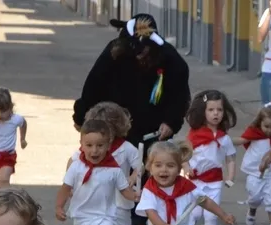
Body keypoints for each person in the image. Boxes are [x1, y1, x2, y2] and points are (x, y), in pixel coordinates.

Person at [74, 14, 190, 146]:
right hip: (117, 124)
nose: (139, 57)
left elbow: (179, 96)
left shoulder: (170, 60)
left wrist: (171, 122)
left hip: (153, 128)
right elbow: (93, 85)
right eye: (134, 51)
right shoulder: (114, 52)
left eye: (143, 51)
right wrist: (81, 117)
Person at [69, 102, 144, 225]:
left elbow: (139, 165)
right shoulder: (88, 148)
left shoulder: (125, 148)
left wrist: (133, 177)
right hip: (94, 197)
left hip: (119, 197)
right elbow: (73, 161)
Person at [185, 90, 238, 225]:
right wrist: (186, 166)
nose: (216, 113)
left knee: (211, 214)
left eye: (219, 110)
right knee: (194, 213)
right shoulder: (194, 135)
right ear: (203, 111)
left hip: (214, 181)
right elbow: (183, 154)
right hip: (195, 181)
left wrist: (230, 176)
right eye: (211, 110)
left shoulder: (224, 138)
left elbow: (230, 158)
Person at [235, 101, 271, 225]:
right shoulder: (254, 133)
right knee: (255, 197)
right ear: (260, 122)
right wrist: (224, 140)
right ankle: (252, 209)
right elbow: (241, 140)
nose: (269, 130)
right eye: (266, 126)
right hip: (255, 171)